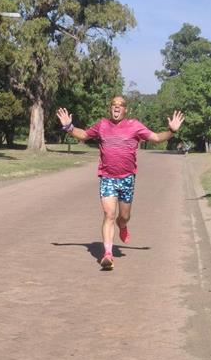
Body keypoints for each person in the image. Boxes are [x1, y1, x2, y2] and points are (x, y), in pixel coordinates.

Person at [56, 96, 185, 270]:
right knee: (109, 214)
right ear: (110, 109)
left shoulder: (135, 126)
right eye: (114, 105)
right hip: (108, 177)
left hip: (127, 179)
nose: (117, 108)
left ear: (126, 110)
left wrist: (171, 131)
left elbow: (155, 137)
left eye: (120, 105)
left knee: (123, 216)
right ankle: (107, 254)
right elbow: (84, 135)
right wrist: (68, 127)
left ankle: (122, 225)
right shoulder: (102, 125)